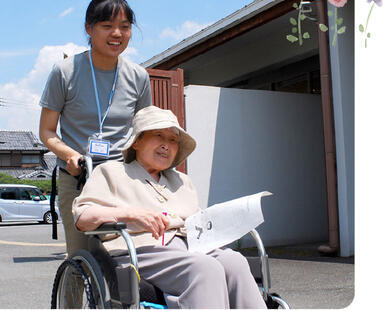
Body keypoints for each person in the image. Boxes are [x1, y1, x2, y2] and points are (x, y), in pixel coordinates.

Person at [72, 106, 266, 309]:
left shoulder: (182, 181)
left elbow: (197, 222)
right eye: (158, 135)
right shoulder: (111, 172)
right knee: (205, 269)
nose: (166, 145)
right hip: (143, 249)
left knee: (235, 261)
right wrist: (130, 214)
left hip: (191, 246)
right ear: (137, 141)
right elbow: (83, 217)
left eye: (173, 140)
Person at [39, 0, 152, 255]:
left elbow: (145, 132)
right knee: (81, 257)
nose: (117, 34)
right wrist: (70, 155)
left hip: (123, 178)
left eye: (125, 27)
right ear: (89, 28)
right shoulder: (65, 72)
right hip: (79, 177)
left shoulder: (138, 76)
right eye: (107, 26)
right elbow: (46, 131)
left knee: (129, 255)